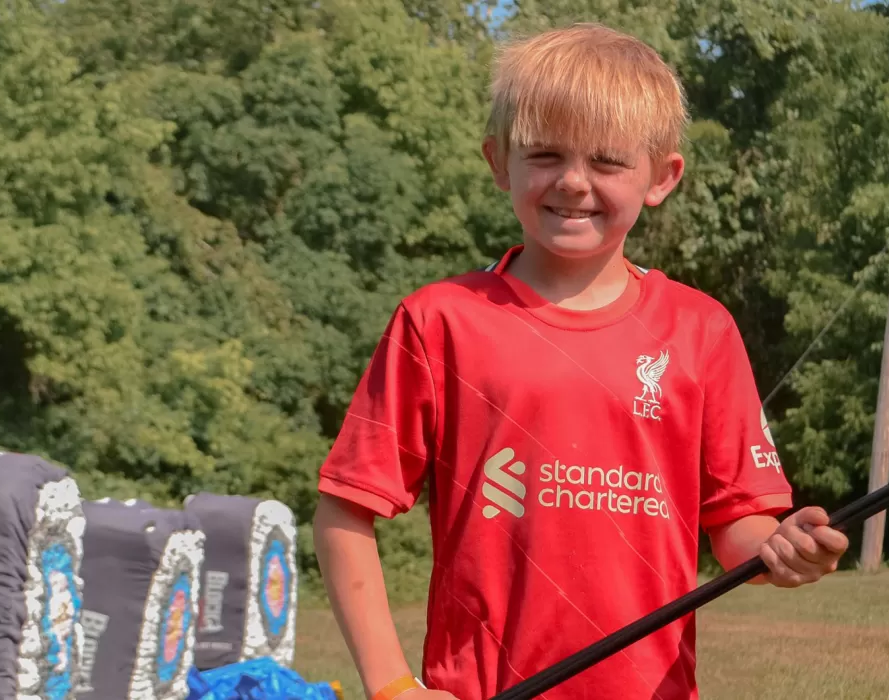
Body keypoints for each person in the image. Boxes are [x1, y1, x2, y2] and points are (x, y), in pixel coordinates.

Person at [311, 22, 851, 700]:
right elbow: (342, 512)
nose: (572, 182)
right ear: (497, 161)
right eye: (543, 154)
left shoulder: (700, 329)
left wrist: (781, 549)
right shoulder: (438, 320)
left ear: (662, 177)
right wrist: (393, 688)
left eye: (606, 161)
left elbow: (738, 523)